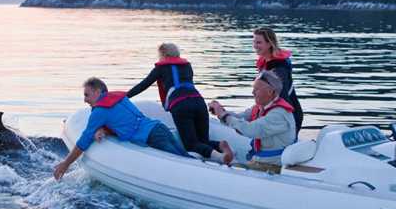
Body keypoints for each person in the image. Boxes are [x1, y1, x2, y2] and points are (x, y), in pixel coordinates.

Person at [53, 77, 189, 181]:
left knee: (183, 166)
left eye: (86, 95)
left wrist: (66, 164)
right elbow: (122, 121)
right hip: (159, 128)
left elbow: (84, 141)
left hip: (153, 136)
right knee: (185, 158)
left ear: (97, 91)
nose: (85, 100)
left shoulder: (100, 111)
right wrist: (102, 130)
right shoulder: (117, 99)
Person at [126, 43, 234, 164]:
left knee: (191, 145)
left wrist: (125, 96)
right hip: (198, 101)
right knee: (203, 141)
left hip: (181, 105)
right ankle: (220, 145)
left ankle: (220, 157)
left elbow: (143, 85)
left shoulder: (160, 68)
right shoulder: (187, 66)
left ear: (163, 54)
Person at [209, 70, 295, 167]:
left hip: (273, 165)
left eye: (257, 89)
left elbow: (251, 130)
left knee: (228, 169)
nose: (253, 92)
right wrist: (221, 111)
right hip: (260, 161)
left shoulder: (279, 115)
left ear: (270, 92)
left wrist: (224, 116)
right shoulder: (261, 107)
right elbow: (239, 117)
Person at [253, 27, 303, 136]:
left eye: (259, 42)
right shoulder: (266, 63)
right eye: (254, 42)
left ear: (269, 43)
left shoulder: (279, 68)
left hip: (289, 117)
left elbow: (282, 97)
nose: (255, 46)